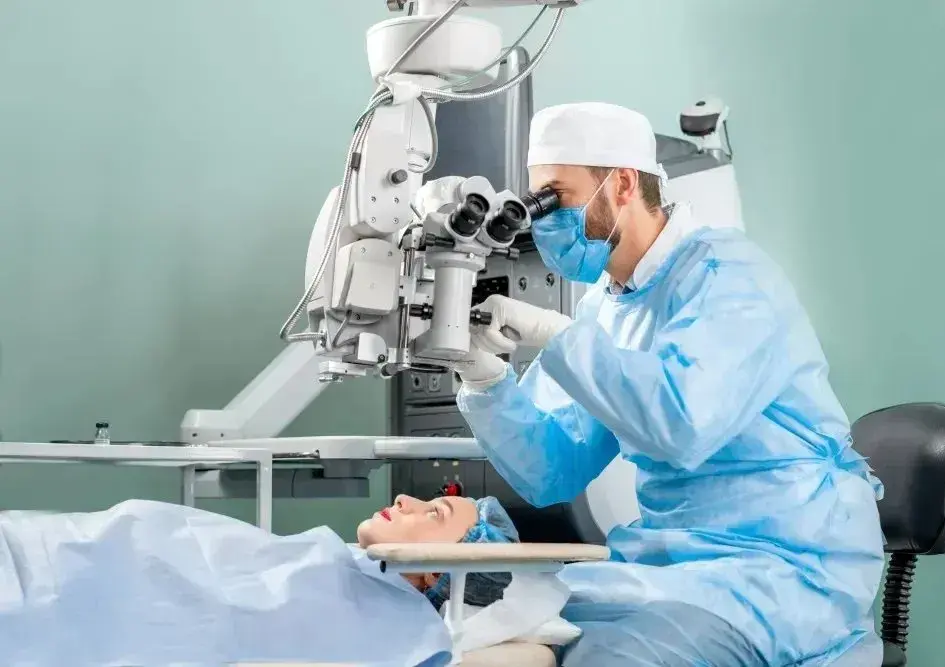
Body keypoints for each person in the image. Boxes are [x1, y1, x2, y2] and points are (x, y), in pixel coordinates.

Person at [452, 102, 886, 666]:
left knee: (602, 658)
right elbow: (550, 468)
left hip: (781, 570)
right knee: (493, 630)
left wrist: (555, 336)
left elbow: (681, 424)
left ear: (624, 184)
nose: (543, 221)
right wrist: (486, 381)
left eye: (555, 198)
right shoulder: (606, 311)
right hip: (672, 566)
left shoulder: (730, 277)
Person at [0, 494, 519, 666]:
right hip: (67, 548)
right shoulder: (340, 560)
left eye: (434, 514)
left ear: (445, 567)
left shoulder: (402, 632)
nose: (407, 500)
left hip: (61, 591)